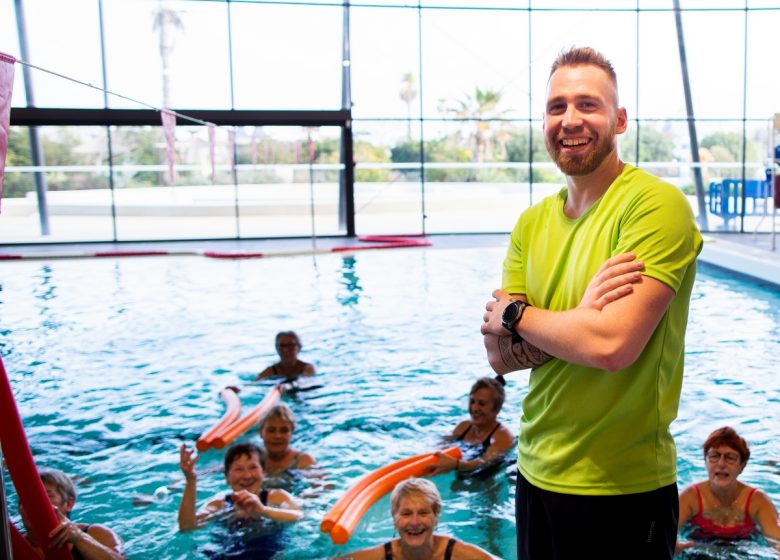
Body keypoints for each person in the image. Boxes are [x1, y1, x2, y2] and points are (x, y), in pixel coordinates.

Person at [480, 46, 703, 559]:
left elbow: (611, 346)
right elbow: (498, 357)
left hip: (622, 487)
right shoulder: (530, 224)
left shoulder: (654, 205)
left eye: (588, 105)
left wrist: (520, 316)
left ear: (619, 119)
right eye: (557, 107)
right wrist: (579, 320)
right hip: (534, 472)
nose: (570, 120)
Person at [334, 477, 496, 560]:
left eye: (423, 513)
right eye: (406, 513)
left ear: (436, 517)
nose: (415, 522)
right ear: (394, 519)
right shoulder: (381, 556)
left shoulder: (459, 555)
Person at [676, 427, 780, 554]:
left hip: (744, 551)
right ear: (706, 462)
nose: (721, 463)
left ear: (742, 466)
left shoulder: (757, 501)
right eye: (714, 456)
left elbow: (777, 541)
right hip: (698, 550)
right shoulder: (690, 497)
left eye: (730, 458)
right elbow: (662, 534)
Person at [177, 441, 303, 531]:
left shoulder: (277, 497)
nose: (247, 475)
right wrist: (191, 480)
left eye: (253, 467)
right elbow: (188, 527)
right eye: (238, 469)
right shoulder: (220, 504)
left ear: (263, 473)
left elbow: (300, 516)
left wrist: (263, 511)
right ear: (226, 478)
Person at [19, 467, 124, 560]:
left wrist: (79, 538)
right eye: (26, 497)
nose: (33, 504)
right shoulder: (10, 544)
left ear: (69, 504)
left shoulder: (97, 534)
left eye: (46, 496)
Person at [425, 377, 514, 476]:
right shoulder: (463, 426)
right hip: (461, 470)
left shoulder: (503, 436)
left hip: (486, 479)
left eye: (482, 404)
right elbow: (443, 444)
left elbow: (484, 462)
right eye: (472, 401)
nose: (474, 408)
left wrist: (456, 465)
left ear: (497, 409)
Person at [257, 404, 317, 477]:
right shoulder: (254, 460)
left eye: (284, 431)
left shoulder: (304, 461)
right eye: (271, 430)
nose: (277, 436)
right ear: (260, 433)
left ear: (292, 433)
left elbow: (325, 486)